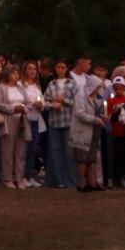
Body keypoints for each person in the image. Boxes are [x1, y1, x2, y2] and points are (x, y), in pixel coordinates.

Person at [42, 61, 75, 189]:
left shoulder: (72, 84)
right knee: (55, 151)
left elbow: (76, 102)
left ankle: (70, 179)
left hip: (68, 120)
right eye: (58, 67)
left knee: (69, 152)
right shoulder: (51, 84)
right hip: (54, 121)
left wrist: (64, 101)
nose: (60, 70)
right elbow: (44, 102)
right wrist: (52, 105)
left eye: (63, 67)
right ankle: (56, 179)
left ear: (66, 69)